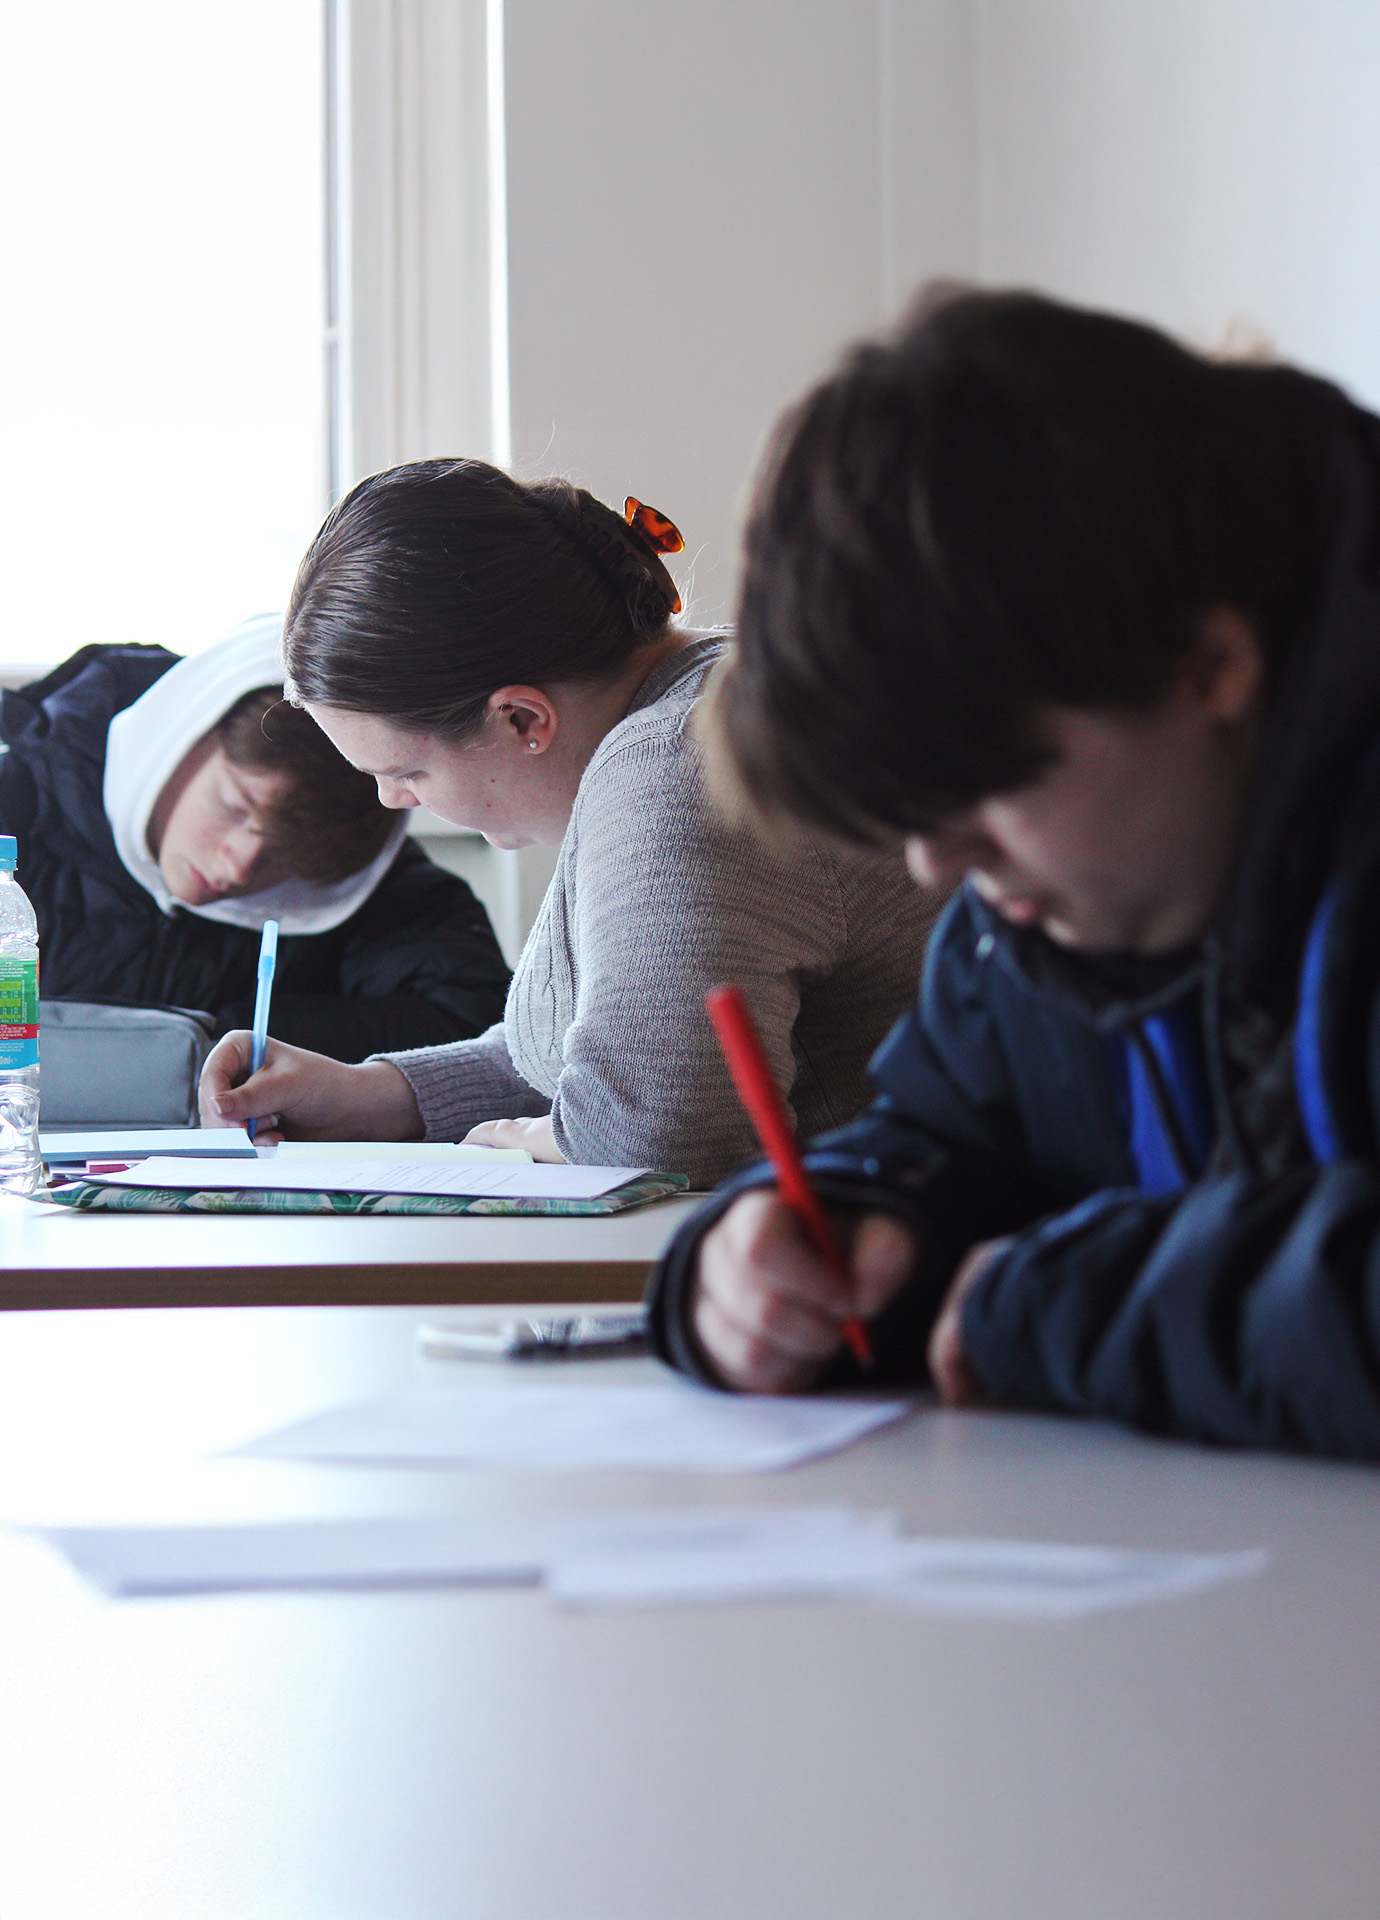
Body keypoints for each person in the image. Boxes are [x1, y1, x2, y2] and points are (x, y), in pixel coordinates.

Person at [647, 285, 1380, 1461]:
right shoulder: (1043, 911)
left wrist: (1054, 1307)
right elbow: (948, 1145)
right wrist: (806, 1249)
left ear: (1206, 665)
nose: (944, 866)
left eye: (981, 785)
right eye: (909, 816)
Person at [199, 462, 938, 1186]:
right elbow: (605, 1056)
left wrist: (530, 1140)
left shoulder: (675, 770)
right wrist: (373, 1092)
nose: (394, 801)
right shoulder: (691, 709)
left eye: (406, 773)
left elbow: (662, 1131)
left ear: (522, 717)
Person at [0, 616, 510, 1058]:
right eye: (233, 806)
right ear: (184, 730)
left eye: (285, 856)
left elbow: (480, 1027)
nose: (238, 867)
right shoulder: (14, 809)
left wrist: (236, 1038)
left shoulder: (352, 871)